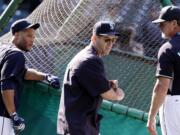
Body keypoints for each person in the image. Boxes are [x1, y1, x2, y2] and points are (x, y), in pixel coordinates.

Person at [57, 21, 125, 135]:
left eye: (113, 40)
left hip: (75, 125)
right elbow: (109, 94)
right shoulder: (91, 60)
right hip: (78, 128)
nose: (110, 44)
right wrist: (119, 94)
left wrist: (108, 85)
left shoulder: (86, 56)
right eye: (107, 39)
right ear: (94, 38)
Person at [0, 19, 60, 135]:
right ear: (16, 34)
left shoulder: (3, 49)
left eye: (33, 37)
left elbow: (24, 72)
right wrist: (14, 115)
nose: (32, 40)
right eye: (28, 36)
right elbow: (6, 85)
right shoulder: (16, 54)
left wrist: (45, 76)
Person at [147, 5, 180, 135]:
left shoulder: (168, 48)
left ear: (174, 23)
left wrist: (151, 116)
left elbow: (162, 86)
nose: (159, 27)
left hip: (175, 104)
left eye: (162, 23)